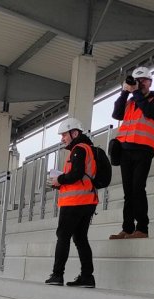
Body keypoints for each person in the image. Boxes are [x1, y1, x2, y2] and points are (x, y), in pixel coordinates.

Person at [109, 66, 154, 239]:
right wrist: (124, 92)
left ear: (150, 81)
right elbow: (116, 113)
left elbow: (151, 114)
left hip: (144, 149)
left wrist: (136, 93)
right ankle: (127, 228)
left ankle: (142, 228)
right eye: (137, 80)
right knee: (128, 191)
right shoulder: (131, 101)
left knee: (137, 188)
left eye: (143, 80)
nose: (140, 83)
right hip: (126, 150)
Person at [45, 118, 98, 288]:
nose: (62, 139)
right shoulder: (86, 149)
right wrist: (60, 182)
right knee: (80, 238)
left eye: (64, 135)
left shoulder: (78, 149)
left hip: (75, 202)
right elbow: (79, 176)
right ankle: (87, 277)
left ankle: (57, 275)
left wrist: (59, 179)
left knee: (63, 236)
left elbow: (75, 174)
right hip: (87, 201)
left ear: (74, 133)